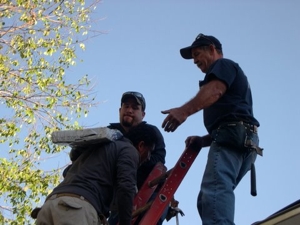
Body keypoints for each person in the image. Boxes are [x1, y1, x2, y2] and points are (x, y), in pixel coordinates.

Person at [161, 33, 262, 225]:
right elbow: (235, 114)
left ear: (212, 49)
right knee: (208, 200)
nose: (195, 61)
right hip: (243, 142)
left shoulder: (222, 65)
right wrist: (204, 140)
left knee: (214, 197)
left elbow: (215, 91)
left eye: (197, 54)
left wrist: (183, 111)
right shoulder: (231, 72)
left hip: (232, 139)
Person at [34, 122, 157, 225]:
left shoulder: (100, 147)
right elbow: (125, 187)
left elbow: (67, 172)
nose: (148, 158)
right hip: (76, 209)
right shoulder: (129, 150)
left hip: (49, 207)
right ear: (141, 145)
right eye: (150, 152)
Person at [107, 91, 168, 225]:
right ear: (120, 110)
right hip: (117, 199)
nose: (129, 110)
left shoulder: (151, 132)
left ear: (143, 114)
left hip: (148, 192)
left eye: (135, 108)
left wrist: (126, 163)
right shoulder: (109, 133)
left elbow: (158, 161)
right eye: (126, 106)